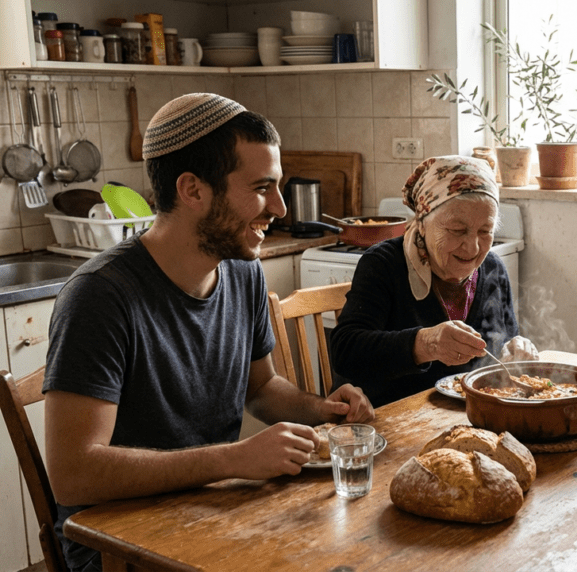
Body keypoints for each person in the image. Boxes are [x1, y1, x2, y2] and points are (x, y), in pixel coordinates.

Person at [44, 93, 374, 572]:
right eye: (262, 188)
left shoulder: (242, 270)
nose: (279, 208)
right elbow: (73, 477)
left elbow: (259, 387)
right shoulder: (100, 296)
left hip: (215, 509)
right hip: (121, 545)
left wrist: (323, 409)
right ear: (192, 190)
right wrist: (234, 459)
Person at [330, 155, 537, 405]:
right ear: (423, 223)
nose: (472, 247)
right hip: (386, 420)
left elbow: (505, 342)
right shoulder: (384, 264)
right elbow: (346, 352)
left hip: (461, 418)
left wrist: (515, 350)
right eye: (457, 230)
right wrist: (425, 344)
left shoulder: (493, 269)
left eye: (485, 231)